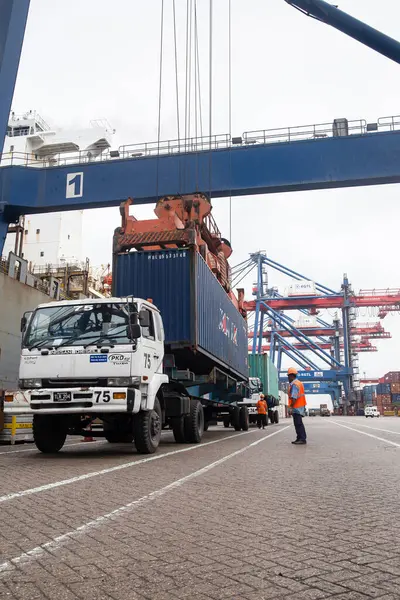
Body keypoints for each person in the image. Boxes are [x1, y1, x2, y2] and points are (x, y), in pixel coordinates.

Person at [288, 367, 307, 445]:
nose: (288, 378)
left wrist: (291, 407)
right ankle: (299, 438)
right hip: (300, 406)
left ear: (291, 376)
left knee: (298, 423)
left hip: (297, 407)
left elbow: (294, 397)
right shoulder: (298, 383)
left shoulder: (295, 385)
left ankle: (302, 439)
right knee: (298, 423)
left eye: (288, 376)